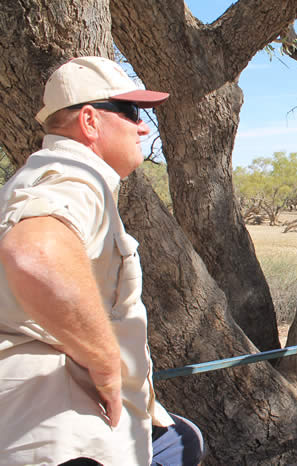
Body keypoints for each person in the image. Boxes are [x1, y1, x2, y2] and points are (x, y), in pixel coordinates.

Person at [0, 57, 204, 465]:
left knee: (182, 439)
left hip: (51, 414)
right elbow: (35, 252)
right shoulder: (75, 176)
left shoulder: (41, 174)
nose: (143, 126)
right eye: (131, 112)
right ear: (90, 122)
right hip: (64, 431)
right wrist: (105, 360)